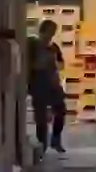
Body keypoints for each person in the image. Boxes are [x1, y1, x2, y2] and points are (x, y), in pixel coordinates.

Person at [26, 19, 66, 155]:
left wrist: (55, 64)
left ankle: (56, 139)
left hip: (53, 82)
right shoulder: (32, 44)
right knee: (41, 116)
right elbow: (28, 64)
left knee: (60, 109)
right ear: (43, 31)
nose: (51, 35)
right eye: (50, 32)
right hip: (38, 82)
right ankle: (42, 145)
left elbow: (61, 64)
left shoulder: (53, 47)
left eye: (53, 33)